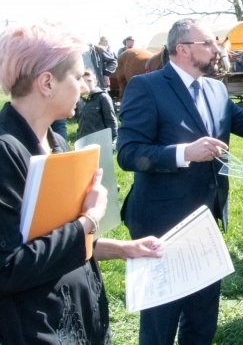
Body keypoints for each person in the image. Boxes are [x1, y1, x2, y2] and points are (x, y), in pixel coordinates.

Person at [116, 18, 243, 345]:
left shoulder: (217, 89)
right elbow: (128, 153)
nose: (217, 49)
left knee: (203, 323)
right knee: (159, 328)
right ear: (183, 49)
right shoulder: (146, 87)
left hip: (206, 223)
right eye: (208, 43)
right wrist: (184, 152)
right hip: (160, 226)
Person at [0, 22, 161, 344]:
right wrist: (89, 221)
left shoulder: (56, 143)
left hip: (79, 320)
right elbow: (8, 267)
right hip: (38, 329)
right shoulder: (5, 152)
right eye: (78, 76)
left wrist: (122, 249)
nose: (86, 88)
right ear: (47, 82)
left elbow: (50, 239)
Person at [76, 68, 119, 150]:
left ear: (95, 82)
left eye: (89, 81)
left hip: (99, 142)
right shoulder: (80, 99)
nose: (87, 84)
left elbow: (111, 121)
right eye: (84, 81)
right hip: (83, 141)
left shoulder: (102, 97)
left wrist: (113, 140)